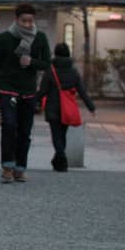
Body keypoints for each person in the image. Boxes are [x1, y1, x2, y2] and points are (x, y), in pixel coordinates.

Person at [0, 4, 51, 183]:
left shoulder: (40, 38)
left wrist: (32, 62)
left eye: (30, 21)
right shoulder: (5, 38)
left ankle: (20, 167)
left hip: (28, 90)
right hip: (7, 87)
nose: (27, 24)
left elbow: (47, 63)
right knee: (9, 125)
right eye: (23, 20)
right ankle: (7, 166)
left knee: (25, 131)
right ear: (16, 20)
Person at [37, 43, 95, 172]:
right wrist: (91, 107)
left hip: (52, 108)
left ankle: (61, 159)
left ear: (55, 54)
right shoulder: (73, 72)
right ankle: (58, 161)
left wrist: (31, 101)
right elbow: (82, 91)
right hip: (67, 109)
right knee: (62, 135)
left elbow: (43, 91)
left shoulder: (50, 71)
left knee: (56, 135)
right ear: (68, 54)